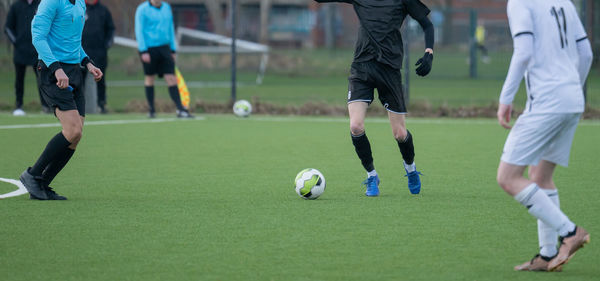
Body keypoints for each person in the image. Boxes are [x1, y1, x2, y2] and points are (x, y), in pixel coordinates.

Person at [496, 0, 593, 272]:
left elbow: (523, 51)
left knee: (507, 177)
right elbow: (586, 54)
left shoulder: (520, 3)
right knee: (541, 177)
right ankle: (549, 255)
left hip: (547, 103)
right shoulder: (564, 1)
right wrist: (570, 88)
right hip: (573, 99)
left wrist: (505, 99)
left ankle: (570, 231)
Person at [314, 0, 434, 196]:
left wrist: (429, 53)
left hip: (389, 69)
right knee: (356, 126)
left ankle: (411, 169)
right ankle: (371, 176)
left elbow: (427, 25)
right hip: (362, 67)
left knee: (400, 133)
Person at [19, 0, 103, 200]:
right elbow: (38, 37)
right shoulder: (51, 2)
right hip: (52, 72)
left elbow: (73, 41)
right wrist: (56, 68)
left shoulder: (80, 3)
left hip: (74, 71)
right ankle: (32, 175)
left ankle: (42, 185)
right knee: (72, 130)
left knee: (76, 136)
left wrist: (88, 63)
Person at [135, 0, 192, 118]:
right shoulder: (142, 9)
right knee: (150, 78)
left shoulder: (166, 8)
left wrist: (173, 49)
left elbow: (170, 28)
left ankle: (180, 109)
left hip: (165, 48)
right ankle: (151, 110)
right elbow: (139, 30)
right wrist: (143, 50)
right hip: (150, 49)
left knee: (171, 77)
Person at [4, 0, 50, 115]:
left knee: (41, 79)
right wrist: (16, 42)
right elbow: (8, 27)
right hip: (20, 51)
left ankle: (45, 106)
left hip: (38, 51)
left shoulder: (41, 4)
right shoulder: (16, 6)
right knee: (19, 80)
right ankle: (19, 105)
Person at [82, 0, 115, 114]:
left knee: (100, 79)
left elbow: (111, 29)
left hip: (99, 53)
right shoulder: (80, 8)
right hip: (81, 53)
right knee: (79, 80)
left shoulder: (104, 10)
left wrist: (107, 44)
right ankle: (79, 105)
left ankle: (101, 104)